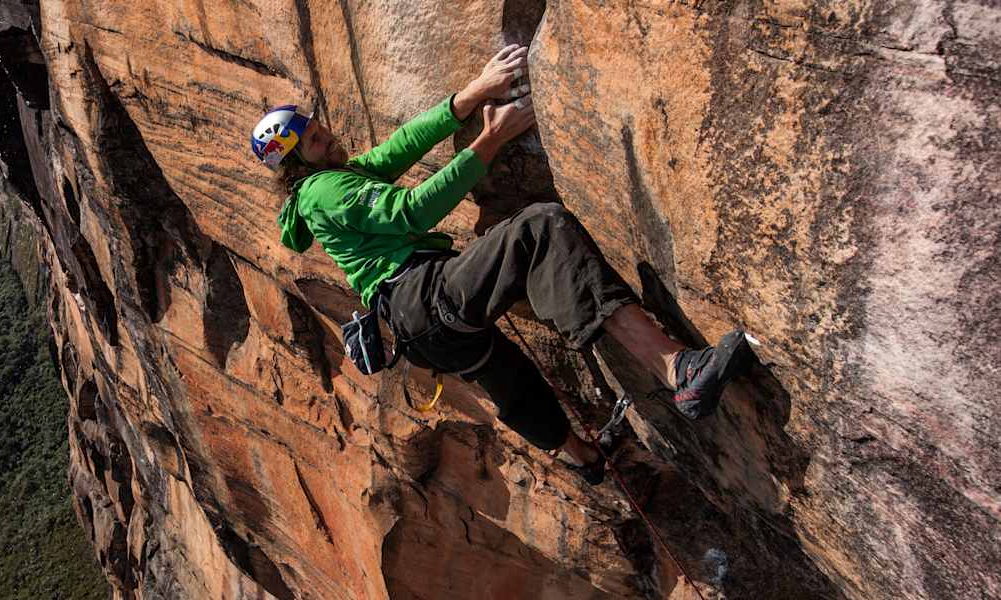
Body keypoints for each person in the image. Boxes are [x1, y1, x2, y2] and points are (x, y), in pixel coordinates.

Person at [252, 44, 753, 484]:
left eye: (319, 128)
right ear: (296, 164)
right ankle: (677, 369)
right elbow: (410, 211)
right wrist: (488, 140)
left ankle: (583, 458)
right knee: (540, 226)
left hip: (421, 330)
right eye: (315, 140)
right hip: (421, 295)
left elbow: (400, 147)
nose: (328, 136)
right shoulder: (323, 189)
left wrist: (467, 98)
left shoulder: (331, 177)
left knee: (509, 380)